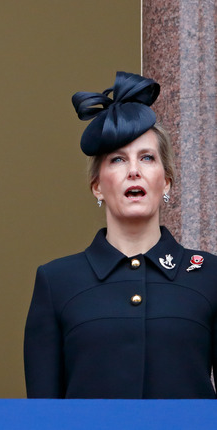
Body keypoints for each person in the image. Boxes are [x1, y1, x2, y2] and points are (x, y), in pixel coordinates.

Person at [24, 72, 217, 399]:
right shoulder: (56, 282)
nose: (133, 170)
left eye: (147, 157)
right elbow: (44, 412)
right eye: (117, 159)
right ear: (97, 185)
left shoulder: (209, 275)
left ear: (166, 182)